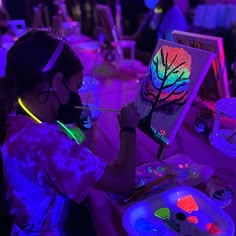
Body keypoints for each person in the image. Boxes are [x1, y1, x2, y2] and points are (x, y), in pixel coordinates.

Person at [0, 30, 139, 235]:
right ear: (56, 82)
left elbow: (69, 154)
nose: (76, 96)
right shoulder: (46, 143)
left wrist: (83, 132)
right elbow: (123, 181)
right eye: (75, 87)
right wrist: (128, 128)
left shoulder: (12, 115)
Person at [127, 0, 188, 64]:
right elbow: (136, 38)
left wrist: (134, 53)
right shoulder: (156, 10)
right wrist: (119, 40)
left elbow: (167, 57)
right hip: (140, 64)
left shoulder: (175, 20)